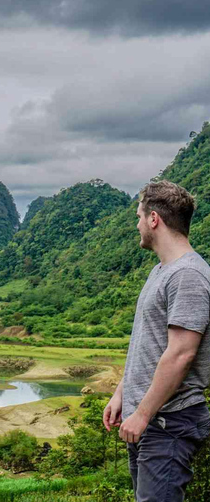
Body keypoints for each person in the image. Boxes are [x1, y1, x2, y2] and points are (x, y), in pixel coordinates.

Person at [104, 180, 210, 502]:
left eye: (138, 217)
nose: (136, 225)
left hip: (169, 422)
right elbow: (147, 344)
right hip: (152, 422)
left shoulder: (187, 275)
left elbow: (180, 355)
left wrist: (143, 413)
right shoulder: (161, 271)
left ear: (154, 219)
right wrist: (123, 393)